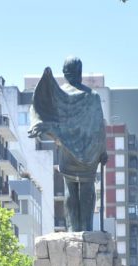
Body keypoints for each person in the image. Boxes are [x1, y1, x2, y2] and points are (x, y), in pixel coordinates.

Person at [28, 56, 107, 231]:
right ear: (80, 72)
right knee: (85, 190)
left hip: (68, 150)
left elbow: (41, 110)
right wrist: (103, 151)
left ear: (64, 73)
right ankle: (85, 227)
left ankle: (73, 228)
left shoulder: (58, 96)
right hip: (89, 152)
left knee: (70, 190)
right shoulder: (92, 97)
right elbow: (99, 125)